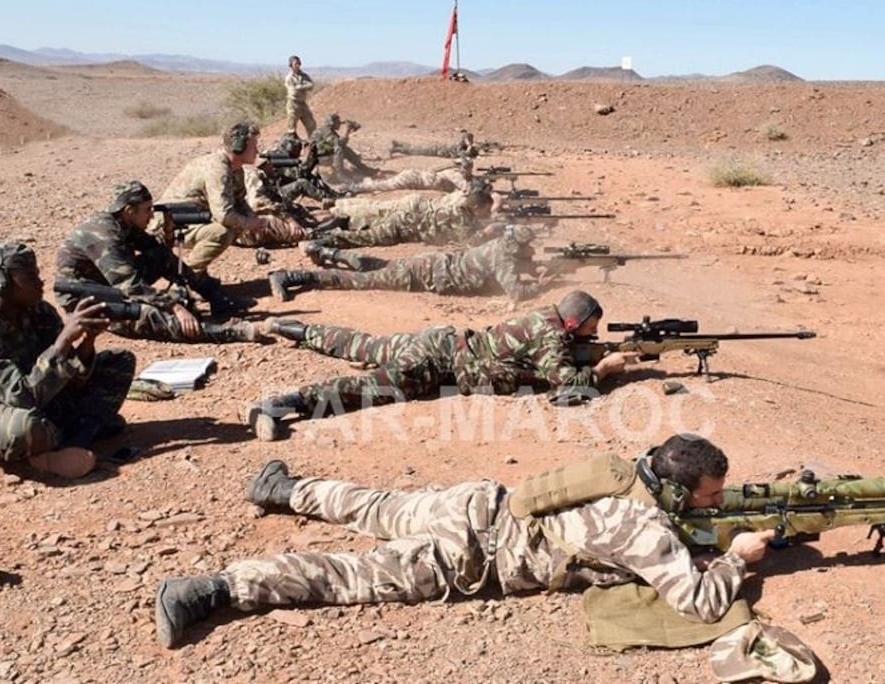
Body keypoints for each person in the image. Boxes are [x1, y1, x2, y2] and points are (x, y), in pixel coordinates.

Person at [153, 434, 779, 656]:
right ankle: (213, 589)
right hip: (469, 557)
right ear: (675, 489)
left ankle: (284, 488)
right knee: (348, 576)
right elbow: (697, 602)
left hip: (478, 502)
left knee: (378, 506)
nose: (716, 504)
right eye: (708, 497)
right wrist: (736, 556)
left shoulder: (622, 474)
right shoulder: (644, 532)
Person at [243, 290, 633, 441]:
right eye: (589, 329)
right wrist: (604, 370)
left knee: (361, 343)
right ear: (572, 323)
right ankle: (280, 403)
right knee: (369, 388)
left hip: (441, 339)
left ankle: (292, 328)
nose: (590, 335)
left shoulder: (544, 318)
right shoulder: (551, 338)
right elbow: (566, 385)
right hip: (438, 362)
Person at [0, 242, 136, 479]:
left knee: (119, 362)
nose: (40, 282)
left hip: (37, 394)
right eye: (30, 277)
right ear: (1, 283)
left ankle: (66, 435)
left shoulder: (40, 312)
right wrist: (63, 341)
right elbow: (21, 396)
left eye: (37, 274)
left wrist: (88, 341)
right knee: (24, 427)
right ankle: (48, 448)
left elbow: (69, 378)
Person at [55, 181, 264, 343]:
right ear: (129, 211)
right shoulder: (104, 235)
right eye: (147, 210)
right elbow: (131, 286)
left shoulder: (122, 223)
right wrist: (174, 307)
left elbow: (157, 250)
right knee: (147, 315)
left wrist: (169, 231)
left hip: (109, 284)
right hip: (87, 298)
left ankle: (216, 297)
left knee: (161, 257)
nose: (151, 215)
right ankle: (231, 332)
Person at [151, 121, 306, 278]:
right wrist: (249, 223)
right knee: (222, 232)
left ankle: (198, 275)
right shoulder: (218, 169)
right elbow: (223, 214)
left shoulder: (235, 169)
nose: (257, 150)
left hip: (192, 218)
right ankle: (187, 276)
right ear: (239, 147)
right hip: (169, 223)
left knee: (236, 224)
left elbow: (240, 201)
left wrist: (253, 219)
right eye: (253, 146)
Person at [267, 224, 558, 303]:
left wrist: (531, 269)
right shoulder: (504, 256)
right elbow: (516, 294)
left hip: (430, 264)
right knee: (360, 280)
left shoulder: (499, 246)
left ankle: (328, 252)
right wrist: (540, 287)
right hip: (421, 276)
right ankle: (291, 275)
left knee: (375, 265)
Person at [318, 182, 495, 248]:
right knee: (367, 235)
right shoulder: (462, 217)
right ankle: (323, 235)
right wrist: (491, 230)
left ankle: (341, 217)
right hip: (405, 225)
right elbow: (470, 242)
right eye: (486, 209)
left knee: (372, 213)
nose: (487, 213)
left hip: (408, 218)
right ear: (477, 207)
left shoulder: (462, 210)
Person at [337, 156, 474, 196]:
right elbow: (467, 188)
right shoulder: (455, 174)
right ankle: (353, 187)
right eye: (469, 168)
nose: (470, 171)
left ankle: (357, 184)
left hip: (413, 175)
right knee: (384, 186)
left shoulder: (448, 169)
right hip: (413, 179)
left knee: (385, 184)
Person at [310, 113, 379, 182]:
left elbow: (336, 144)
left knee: (344, 149)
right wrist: (347, 132)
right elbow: (339, 144)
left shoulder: (326, 130)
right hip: (318, 158)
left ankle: (364, 169)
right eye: (338, 122)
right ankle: (340, 174)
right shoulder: (327, 132)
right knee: (339, 149)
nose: (339, 124)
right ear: (332, 123)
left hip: (321, 154)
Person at [388, 128, 479, 159]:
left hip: (436, 148)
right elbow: (464, 154)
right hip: (435, 150)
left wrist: (470, 147)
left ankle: (398, 145)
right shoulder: (460, 146)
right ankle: (396, 148)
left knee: (415, 148)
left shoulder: (460, 144)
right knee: (414, 150)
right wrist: (469, 146)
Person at [284, 55, 316, 138]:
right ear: (291, 65)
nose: (298, 65)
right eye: (296, 64)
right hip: (293, 104)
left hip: (302, 104)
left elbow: (311, 85)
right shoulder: (289, 78)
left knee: (311, 125)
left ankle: (312, 144)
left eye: (299, 63)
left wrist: (300, 87)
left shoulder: (304, 76)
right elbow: (293, 91)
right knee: (292, 127)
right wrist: (303, 86)